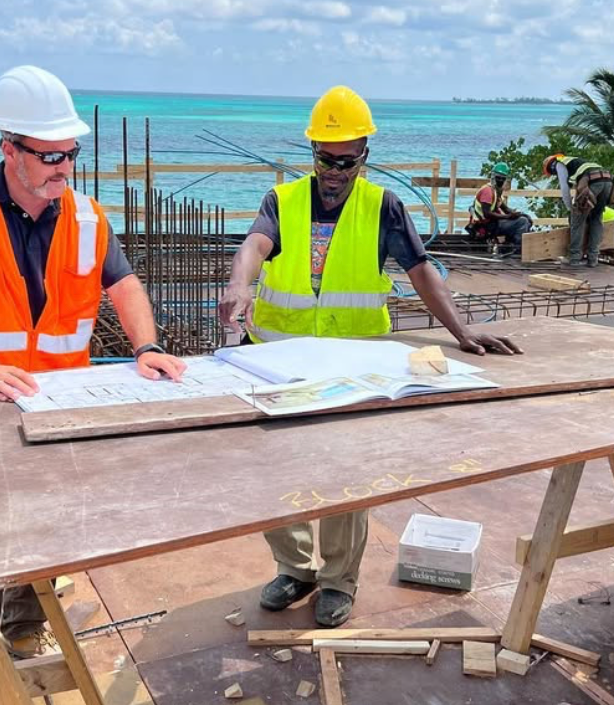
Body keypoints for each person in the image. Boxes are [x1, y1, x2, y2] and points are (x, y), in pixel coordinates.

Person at [218, 85, 523, 628]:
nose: (334, 170)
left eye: (346, 160)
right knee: (273, 472)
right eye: (325, 158)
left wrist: (462, 331)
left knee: (343, 477)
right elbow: (254, 246)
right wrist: (240, 284)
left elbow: (421, 270)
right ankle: (295, 568)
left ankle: (337, 580)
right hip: (278, 359)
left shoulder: (382, 205)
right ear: (311, 154)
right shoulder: (282, 201)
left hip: (353, 364)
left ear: (365, 157)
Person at [0, 64, 186, 655]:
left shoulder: (87, 216)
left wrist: (148, 346)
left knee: (45, 516)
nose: (63, 166)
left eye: (69, 154)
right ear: (9, 149)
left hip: (59, 397)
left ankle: (24, 621)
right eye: (49, 156)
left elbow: (126, 284)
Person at [543, 153, 614, 267]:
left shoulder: (559, 165)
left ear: (550, 166)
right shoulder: (577, 162)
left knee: (577, 220)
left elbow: (565, 190)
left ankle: (574, 258)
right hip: (609, 181)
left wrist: (571, 208)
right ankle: (593, 258)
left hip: (593, 181)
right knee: (596, 218)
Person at [466, 161, 532, 254]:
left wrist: (516, 214)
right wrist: (508, 217)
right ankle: (516, 250)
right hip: (485, 225)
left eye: (502, 178)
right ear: (493, 177)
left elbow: (505, 208)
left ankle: (508, 245)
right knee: (522, 222)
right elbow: (487, 213)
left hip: (493, 223)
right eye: (498, 178)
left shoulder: (496, 191)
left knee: (526, 218)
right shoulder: (487, 191)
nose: (500, 181)